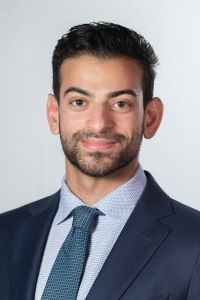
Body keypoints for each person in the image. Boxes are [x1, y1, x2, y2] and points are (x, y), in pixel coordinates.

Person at [1, 22, 200, 300]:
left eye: (121, 103)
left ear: (151, 117)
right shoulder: (6, 233)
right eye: (79, 102)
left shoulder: (193, 245)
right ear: (54, 114)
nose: (99, 123)